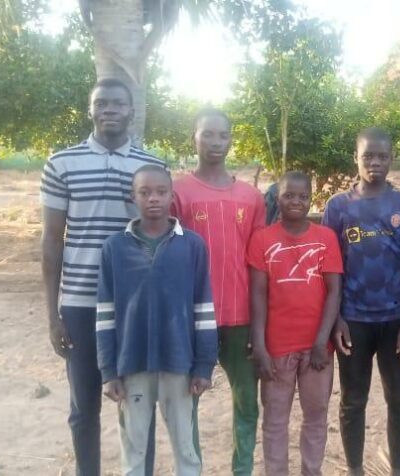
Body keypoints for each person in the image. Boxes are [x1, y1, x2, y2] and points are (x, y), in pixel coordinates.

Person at [40, 78, 162, 476]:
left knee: (139, 404)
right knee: (84, 407)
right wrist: (52, 314)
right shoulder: (62, 163)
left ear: (131, 111)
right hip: (79, 303)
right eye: (101, 103)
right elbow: (52, 241)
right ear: (90, 110)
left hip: (135, 305)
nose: (109, 109)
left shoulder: (151, 168)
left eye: (118, 103)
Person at [96, 165, 218, 476]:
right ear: (132, 197)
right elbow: (105, 312)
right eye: (145, 192)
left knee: (186, 449)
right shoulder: (114, 248)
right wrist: (109, 370)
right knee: (134, 448)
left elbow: (203, 309)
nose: (153, 199)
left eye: (161, 192)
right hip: (132, 364)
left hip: (179, 362)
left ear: (171, 196)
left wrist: (204, 365)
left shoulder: (192, 245)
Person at [323, 127, 400, 476]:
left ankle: (397, 469)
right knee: (353, 400)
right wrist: (336, 317)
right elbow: (332, 269)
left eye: (382, 156)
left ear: (391, 158)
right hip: (353, 320)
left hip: (396, 320)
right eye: (368, 155)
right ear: (356, 157)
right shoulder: (338, 207)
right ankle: (355, 469)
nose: (375, 162)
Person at [172, 108, 265, 476]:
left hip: (241, 317)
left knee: (247, 403)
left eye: (222, 135)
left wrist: (260, 324)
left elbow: (259, 264)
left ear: (231, 139)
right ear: (194, 137)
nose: (215, 142)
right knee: (187, 402)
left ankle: (242, 469)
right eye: (207, 134)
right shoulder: (178, 192)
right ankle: (190, 469)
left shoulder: (250, 197)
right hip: (193, 318)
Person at [248, 171, 343, 476]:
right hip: (277, 348)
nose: (296, 201)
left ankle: (311, 471)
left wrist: (321, 342)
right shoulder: (262, 239)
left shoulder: (325, 237)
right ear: (277, 197)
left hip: (317, 349)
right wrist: (260, 345)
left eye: (303, 196)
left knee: (316, 417)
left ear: (311, 199)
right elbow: (258, 295)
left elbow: (333, 292)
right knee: (275, 420)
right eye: (289, 195)